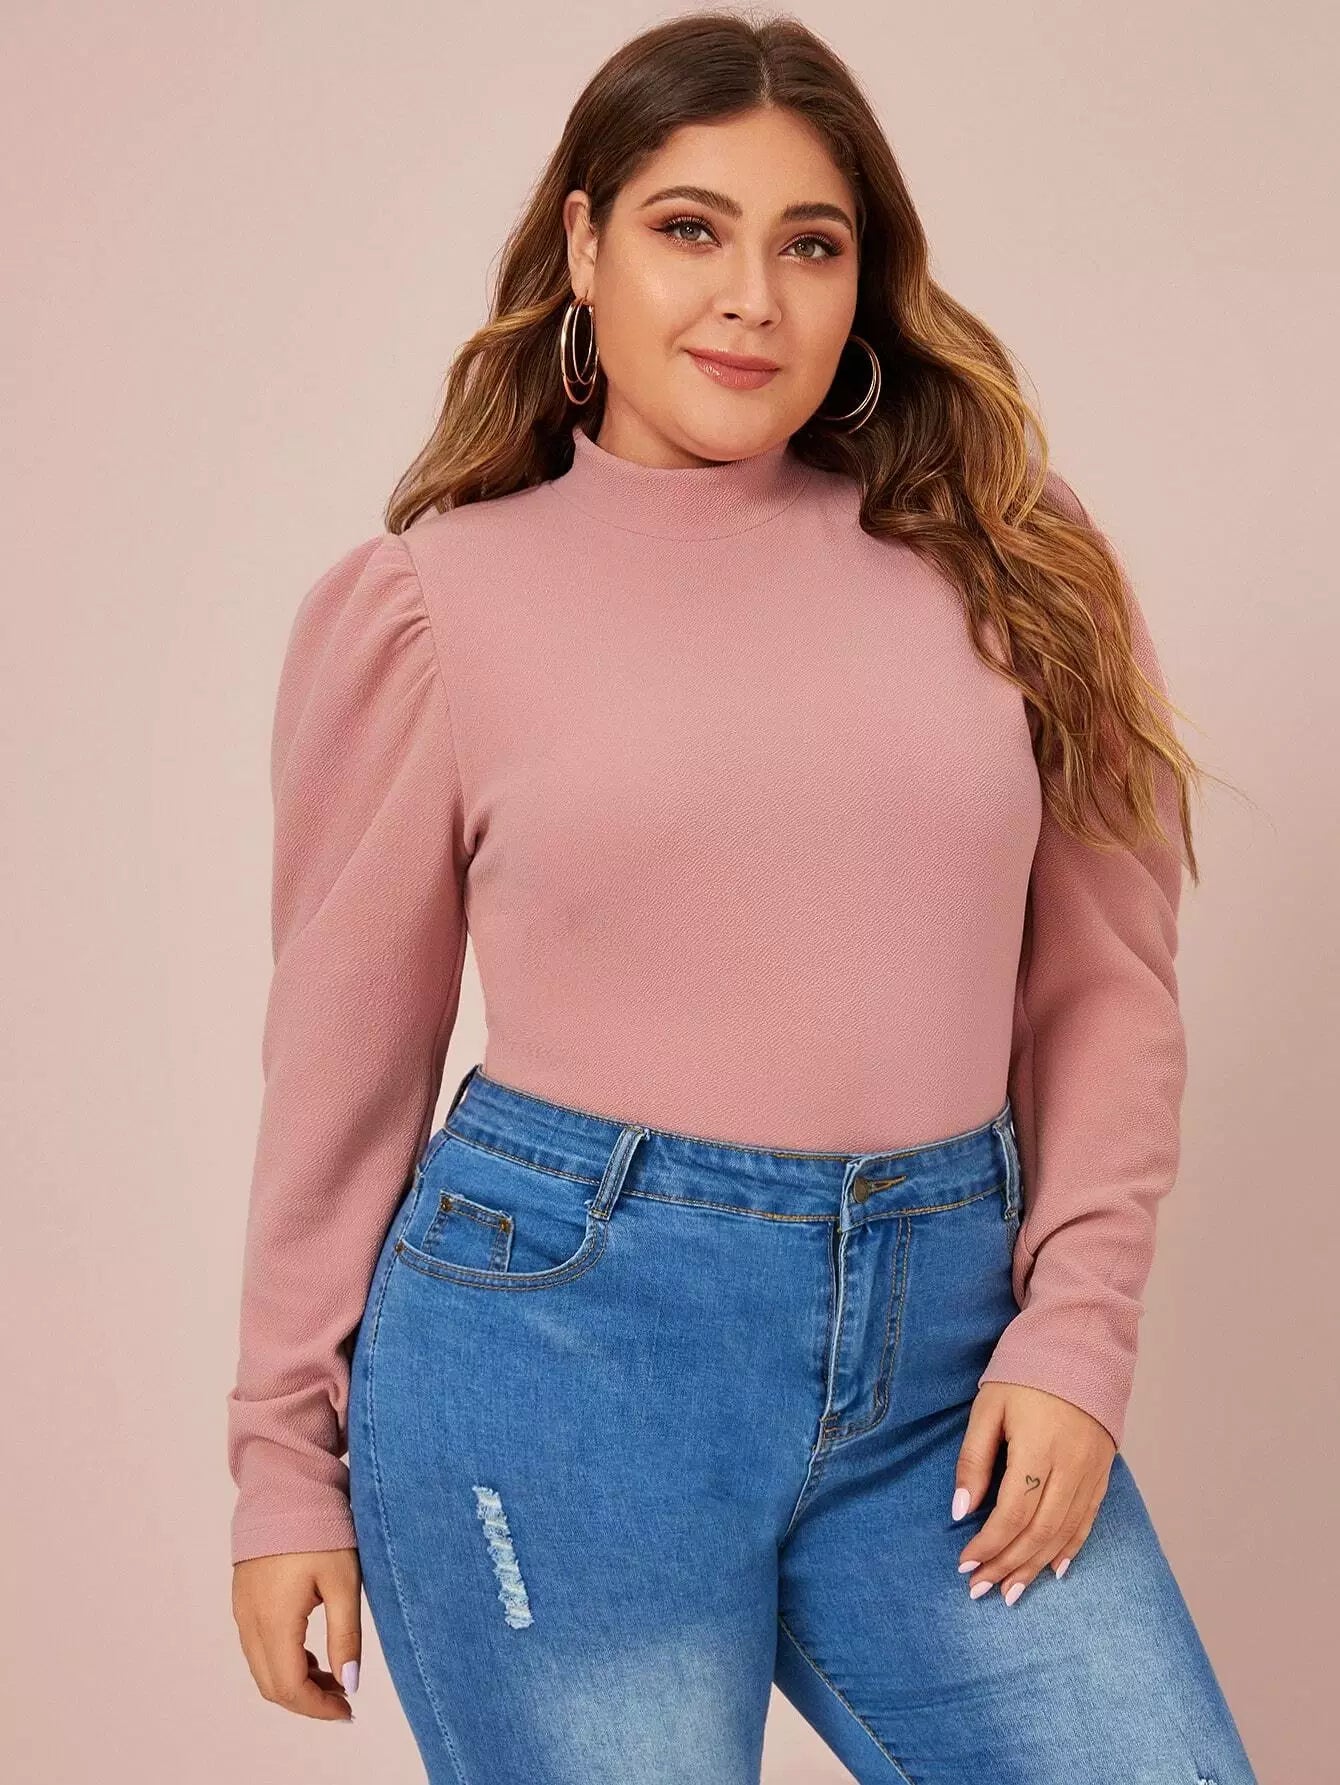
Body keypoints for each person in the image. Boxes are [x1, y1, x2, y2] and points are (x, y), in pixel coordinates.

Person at [227, 13, 1258, 1781]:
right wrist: (280, 1465)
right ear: (583, 246)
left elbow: (1108, 985)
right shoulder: (430, 609)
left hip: (946, 1365)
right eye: (689, 229)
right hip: (557, 1357)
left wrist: (1077, 1331)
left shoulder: (1012, 560)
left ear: (866, 281)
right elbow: (341, 1073)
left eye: (811, 245)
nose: (751, 300)